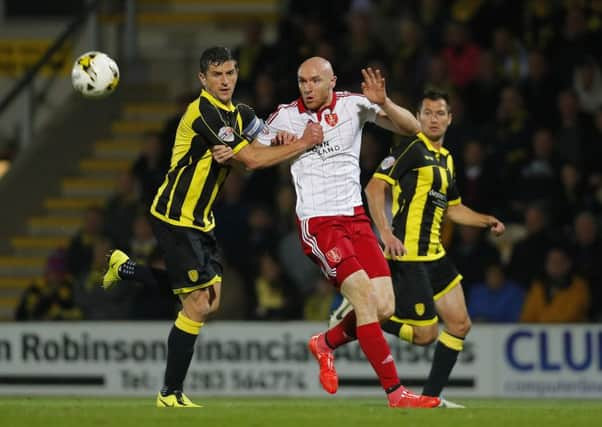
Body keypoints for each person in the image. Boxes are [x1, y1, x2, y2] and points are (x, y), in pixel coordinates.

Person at [102, 46, 323, 408]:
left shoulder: (241, 113)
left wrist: (279, 140)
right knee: (197, 305)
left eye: (231, 73)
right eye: (217, 75)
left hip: (201, 219)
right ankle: (169, 393)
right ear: (203, 79)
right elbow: (252, 160)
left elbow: (263, 140)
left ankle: (126, 268)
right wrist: (299, 144)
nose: (225, 80)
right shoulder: (204, 111)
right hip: (175, 215)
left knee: (210, 299)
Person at [248, 59, 441, 408]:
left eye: (314, 80)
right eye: (301, 80)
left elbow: (413, 128)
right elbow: (252, 156)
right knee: (365, 299)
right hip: (319, 224)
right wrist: (289, 144)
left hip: (355, 219)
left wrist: (384, 102)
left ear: (331, 82)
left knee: (384, 306)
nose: (306, 87)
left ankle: (325, 344)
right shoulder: (285, 115)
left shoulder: (354, 104)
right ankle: (396, 393)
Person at [344, 89, 505, 407]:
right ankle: (367, 314)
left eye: (440, 113)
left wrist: (486, 220)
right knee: (425, 336)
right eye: (427, 113)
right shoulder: (409, 147)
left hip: (436, 255)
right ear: (417, 118)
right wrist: (386, 233)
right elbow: (374, 187)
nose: (434, 119)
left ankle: (431, 398)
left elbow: (453, 209)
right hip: (409, 256)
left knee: (460, 324)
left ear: (450, 118)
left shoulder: (446, 159)